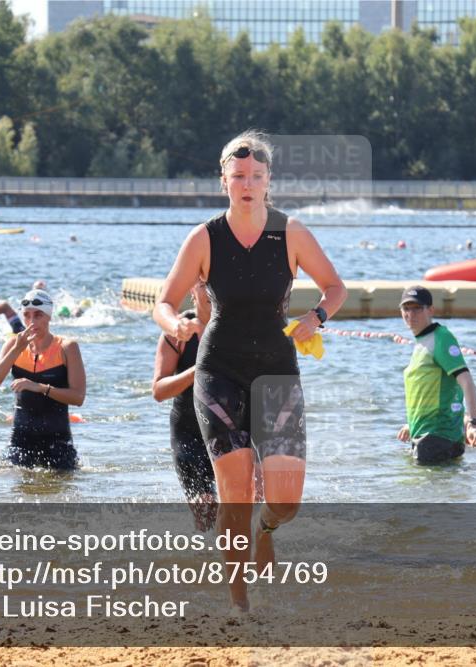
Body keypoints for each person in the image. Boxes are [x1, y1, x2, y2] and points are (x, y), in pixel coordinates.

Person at [152, 131, 347, 612]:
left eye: (256, 176)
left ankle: (267, 529)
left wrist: (316, 318)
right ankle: (239, 604)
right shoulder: (204, 238)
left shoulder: (292, 232)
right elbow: (163, 301)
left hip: (277, 371)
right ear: (224, 180)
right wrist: (174, 322)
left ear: (268, 181)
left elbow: (335, 287)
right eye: (238, 176)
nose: (247, 183)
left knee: (285, 502)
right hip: (218, 371)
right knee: (234, 495)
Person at [0, 289, 86, 470]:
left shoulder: (67, 347)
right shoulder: (13, 345)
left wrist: (40, 387)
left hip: (58, 441)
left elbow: (78, 397)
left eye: (38, 315)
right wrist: (16, 350)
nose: (32, 322)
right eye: (27, 316)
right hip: (20, 440)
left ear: (49, 317)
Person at [394, 286, 476, 464]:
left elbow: (467, 382)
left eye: (417, 308)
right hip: (425, 435)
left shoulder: (441, 338)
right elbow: (426, 392)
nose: (411, 314)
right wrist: (412, 424)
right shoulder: (422, 342)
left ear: (430, 310)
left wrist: (473, 424)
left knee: (420, 489)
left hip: (438, 437)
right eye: (406, 309)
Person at [152, 281, 217, 531]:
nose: (210, 289)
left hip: (231, 431)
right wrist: (197, 370)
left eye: (215, 281)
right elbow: (158, 390)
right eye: (203, 284)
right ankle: (202, 563)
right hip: (188, 431)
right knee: (205, 508)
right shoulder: (178, 333)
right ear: (192, 291)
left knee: (241, 507)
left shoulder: (238, 330)